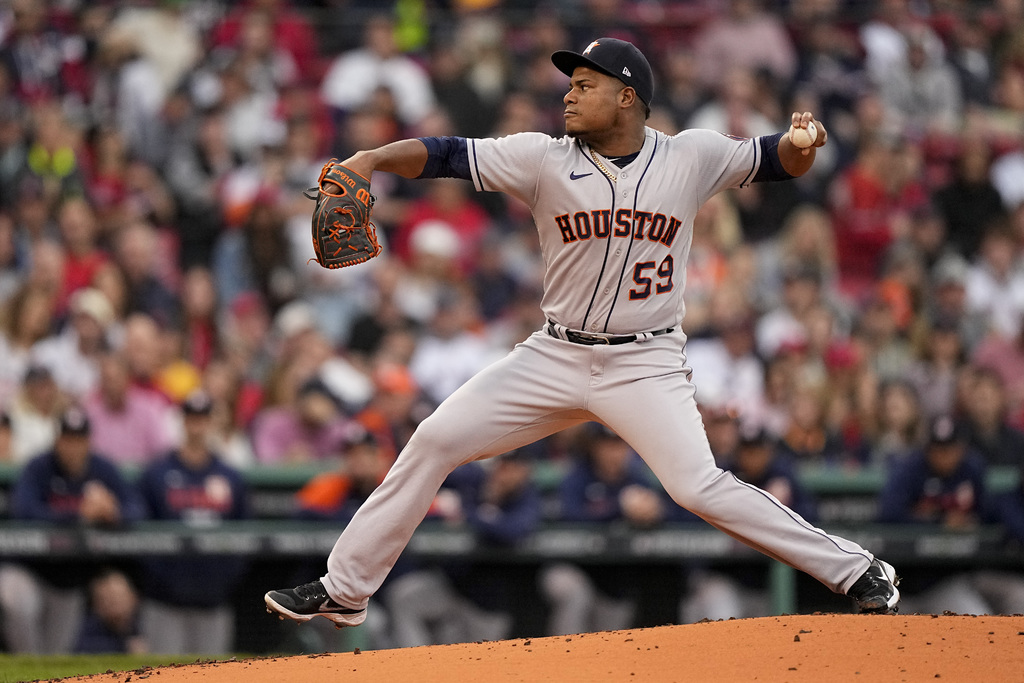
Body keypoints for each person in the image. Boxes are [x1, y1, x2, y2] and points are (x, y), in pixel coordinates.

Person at [265, 37, 900, 629]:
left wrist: (803, 142)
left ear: (627, 96)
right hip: (554, 354)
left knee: (697, 486)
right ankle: (346, 589)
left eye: (584, 84)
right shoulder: (542, 158)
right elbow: (447, 154)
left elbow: (776, 160)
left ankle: (858, 570)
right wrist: (373, 157)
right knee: (433, 440)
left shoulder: (690, 156)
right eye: (570, 84)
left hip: (645, 362)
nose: (568, 94)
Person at [0, 407, 142, 653]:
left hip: (71, 579)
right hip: (30, 569)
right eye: (67, 440)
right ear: (57, 440)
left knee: (57, 653)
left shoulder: (102, 469)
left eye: (79, 440)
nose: (73, 447)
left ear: (88, 442)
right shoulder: (39, 467)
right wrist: (78, 515)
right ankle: (26, 662)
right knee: (17, 599)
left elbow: (137, 509)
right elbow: (24, 511)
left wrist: (112, 512)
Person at [135, 390, 250, 655]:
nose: (197, 424)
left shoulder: (230, 476)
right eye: (191, 417)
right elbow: (140, 534)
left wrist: (221, 582)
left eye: (203, 418)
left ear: (212, 422)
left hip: (214, 601)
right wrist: (161, 580)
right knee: (163, 672)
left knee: (212, 672)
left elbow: (244, 537)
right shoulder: (156, 473)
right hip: (164, 601)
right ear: (183, 421)